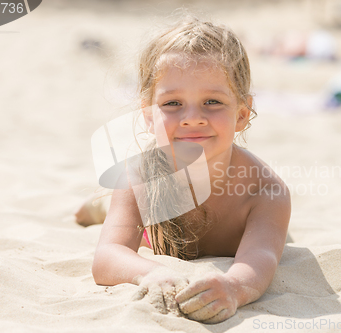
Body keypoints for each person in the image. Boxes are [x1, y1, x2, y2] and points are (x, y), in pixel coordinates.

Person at [78, 15, 291, 324]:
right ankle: (97, 206)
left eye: (212, 101)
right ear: (149, 115)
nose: (192, 118)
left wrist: (233, 286)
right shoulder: (137, 177)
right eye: (173, 104)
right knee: (96, 211)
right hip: (151, 231)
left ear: (242, 114)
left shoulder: (264, 192)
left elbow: (261, 259)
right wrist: (151, 273)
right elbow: (107, 257)